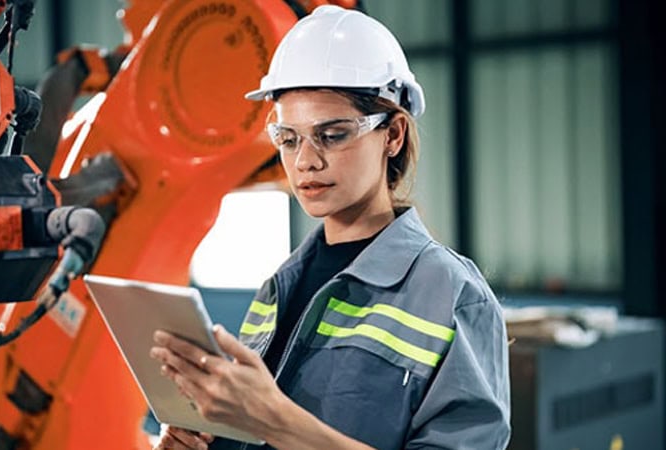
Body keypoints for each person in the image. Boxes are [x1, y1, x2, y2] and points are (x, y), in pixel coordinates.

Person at [149, 5, 510, 450]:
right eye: (288, 138)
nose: (305, 162)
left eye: (333, 134)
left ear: (393, 134)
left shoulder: (453, 297)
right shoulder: (277, 288)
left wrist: (277, 421)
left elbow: (274, 424)